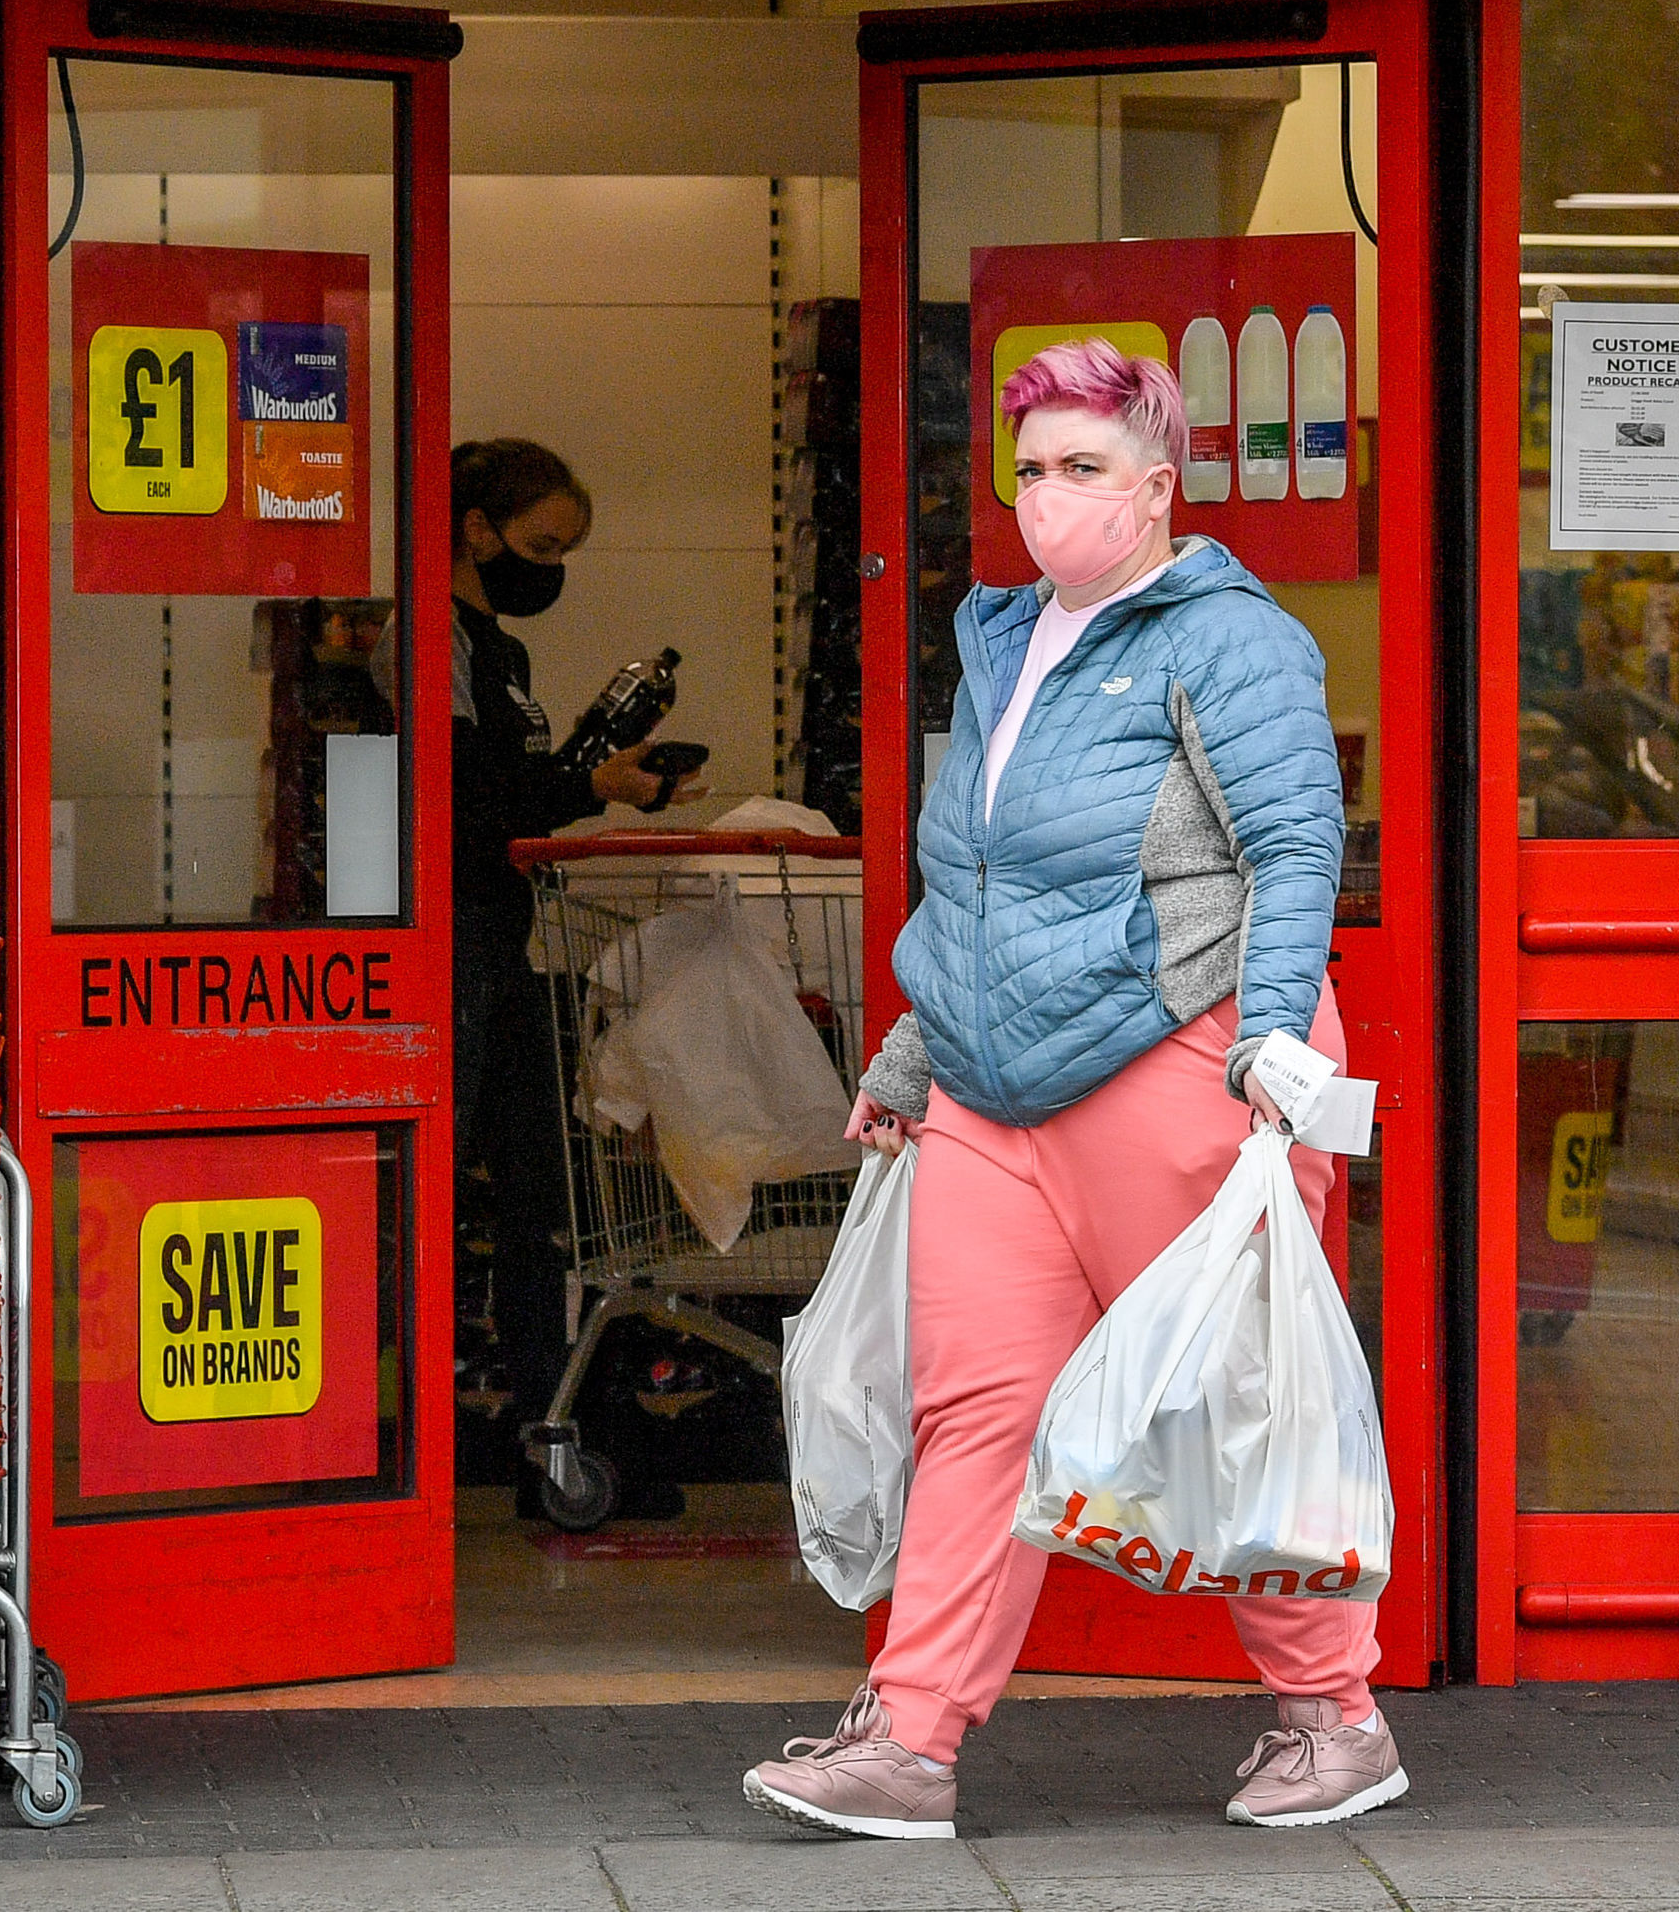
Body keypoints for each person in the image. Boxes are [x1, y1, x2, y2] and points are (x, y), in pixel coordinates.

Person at [743, 340, 1402, 1841]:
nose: (1049, 497)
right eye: (1031, 468)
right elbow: (969, 869)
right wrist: (915, 1041)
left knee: (1223, 1405)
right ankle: (911, 1738)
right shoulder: (1004, 635)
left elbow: (1298, 849)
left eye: (1084, 468)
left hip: (1175, 1048)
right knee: (973, 1402)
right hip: (990, 1084)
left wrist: (1278, 1041)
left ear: (1158, 487)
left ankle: (1334, 1713)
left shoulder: (1231, 638)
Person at [444, 438, 703, 1483]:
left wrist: (597, 779)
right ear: (474, 528)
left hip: (500, 950)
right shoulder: (427, 640)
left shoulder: (496, 653)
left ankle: (539, 1420)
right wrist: (595, 786)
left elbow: (506, 790)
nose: (548, 569)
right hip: (448, 953)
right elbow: (462, 806)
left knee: (537, 1199)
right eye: (540, 545)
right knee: (457, 1192)